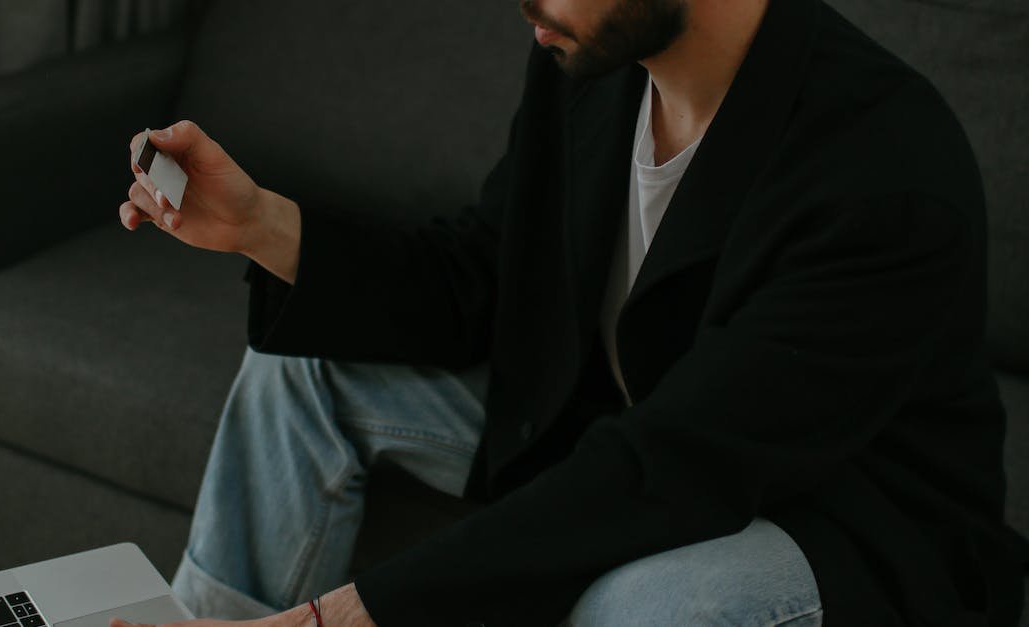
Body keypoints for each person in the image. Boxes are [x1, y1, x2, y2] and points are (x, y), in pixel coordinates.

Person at [113, 0, 1027, 625]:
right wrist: (261, 224)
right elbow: (484, 278)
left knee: (642, 607)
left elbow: (682, 462)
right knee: (306, 364)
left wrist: (341, 616)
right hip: (636, 432)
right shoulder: (592, 57)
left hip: (833, 518)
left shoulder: (882, 168)